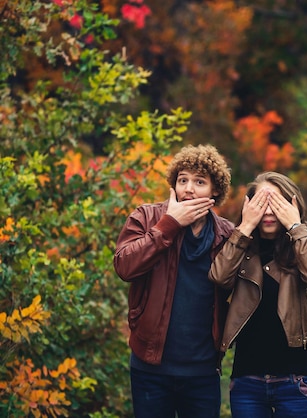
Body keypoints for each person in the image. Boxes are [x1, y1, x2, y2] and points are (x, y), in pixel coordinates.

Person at [113, 144, 234, 418]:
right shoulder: (146, 218)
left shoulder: (228, 235)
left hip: (203, 371)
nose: (188, 189)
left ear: (215, 191)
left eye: (199, 182)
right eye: (183, 180)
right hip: (150, 369)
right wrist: (168, 224)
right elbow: (124, 266)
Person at [209, 171, 307, 418]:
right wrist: (245, 227)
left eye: (276, 204)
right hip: (247, 380)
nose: (267, 211)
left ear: (292, 206)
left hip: (295, 380)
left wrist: (295, 227)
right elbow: (219, 276)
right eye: (261, 204)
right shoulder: (239, 246)